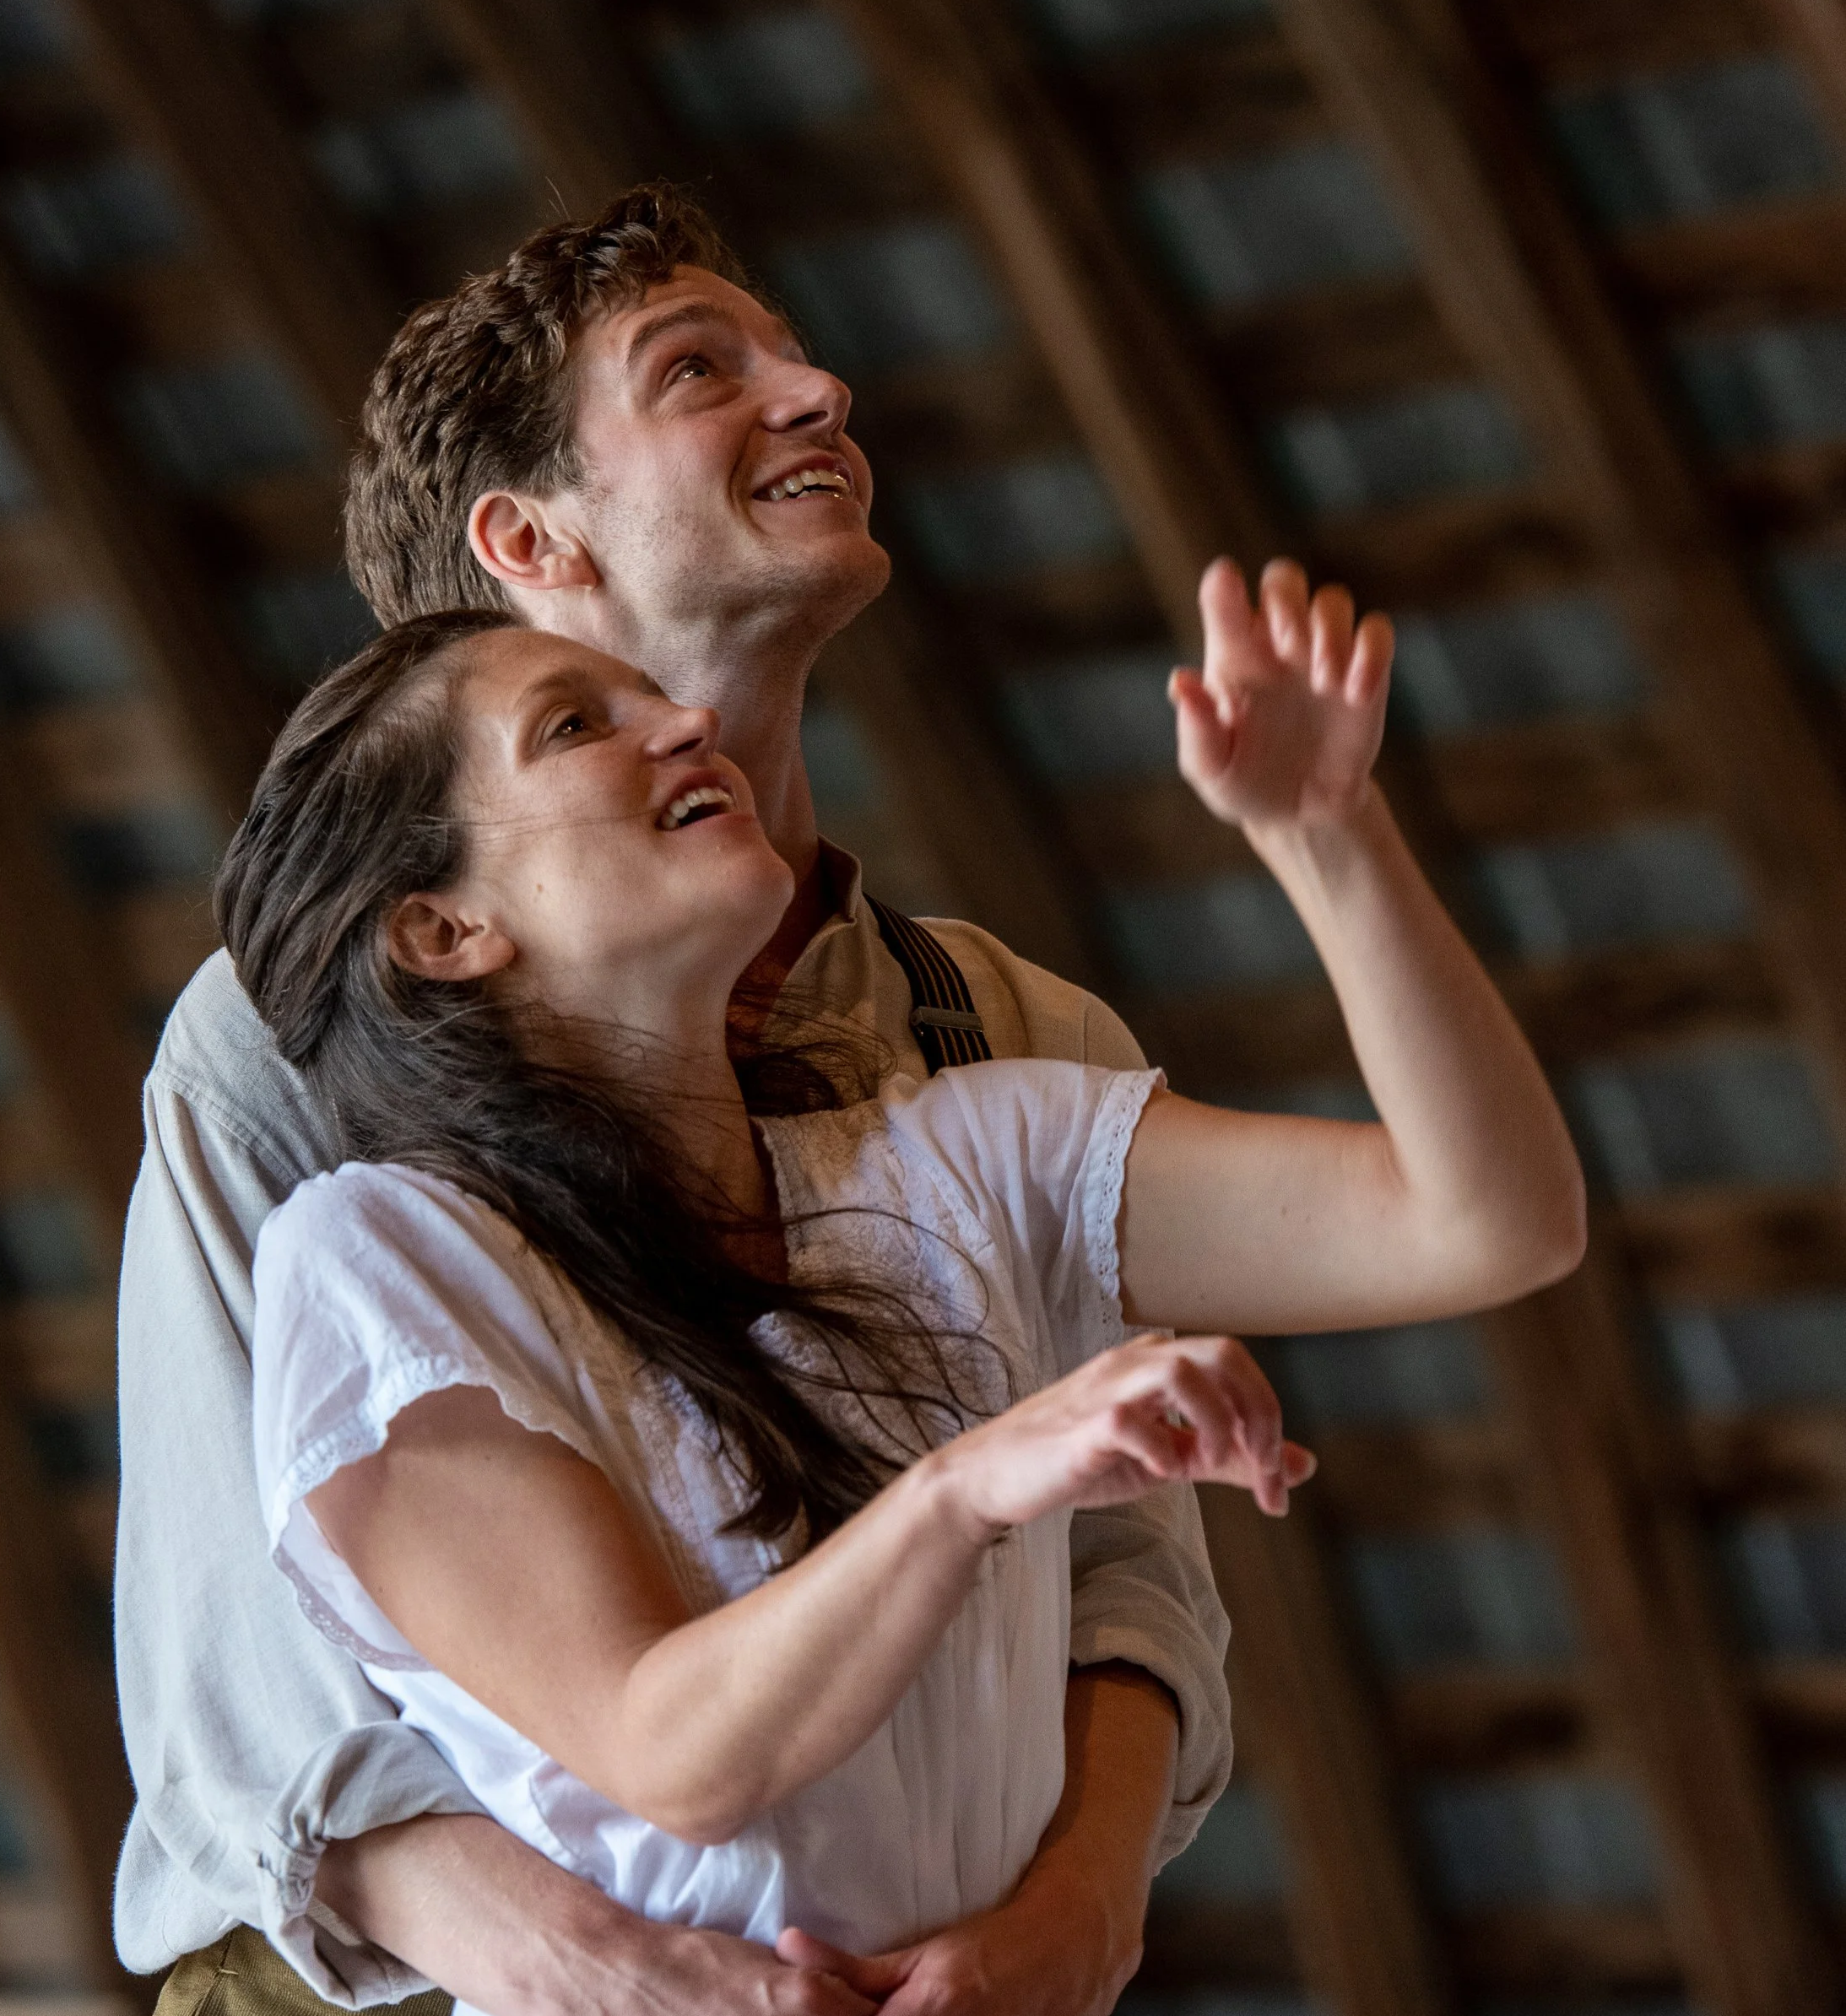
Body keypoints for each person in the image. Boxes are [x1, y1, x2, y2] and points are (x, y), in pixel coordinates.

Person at [117, 185, 1256, 2016]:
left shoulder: (1009, 1029)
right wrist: (620, 1968)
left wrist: (1077, 1916)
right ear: (528, 538)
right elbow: (241, 1694)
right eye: (703, 369)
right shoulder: (282, 1038)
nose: (819, 390)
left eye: (791, 350)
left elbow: (1128, 1567)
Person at [219, 590, 1580, 2016]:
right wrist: (978, 1482)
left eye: (650, 697)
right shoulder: (384, 1254)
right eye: (575, 727)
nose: (685, 720)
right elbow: (675, 1750)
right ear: (443, 930)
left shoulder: (966, 1152)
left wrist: (1329, 838)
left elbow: (1492, 1222)